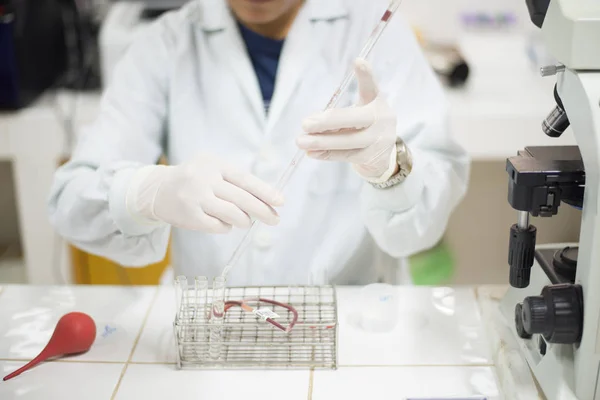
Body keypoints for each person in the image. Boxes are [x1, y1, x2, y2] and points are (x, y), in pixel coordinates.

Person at [48, 0, 470, 286]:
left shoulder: (375, 31)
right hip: (210, 332)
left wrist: (391, 168)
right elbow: (70, 199)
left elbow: (424, 220)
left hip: (345, 329)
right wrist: (148, 192)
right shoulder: (167, 42)